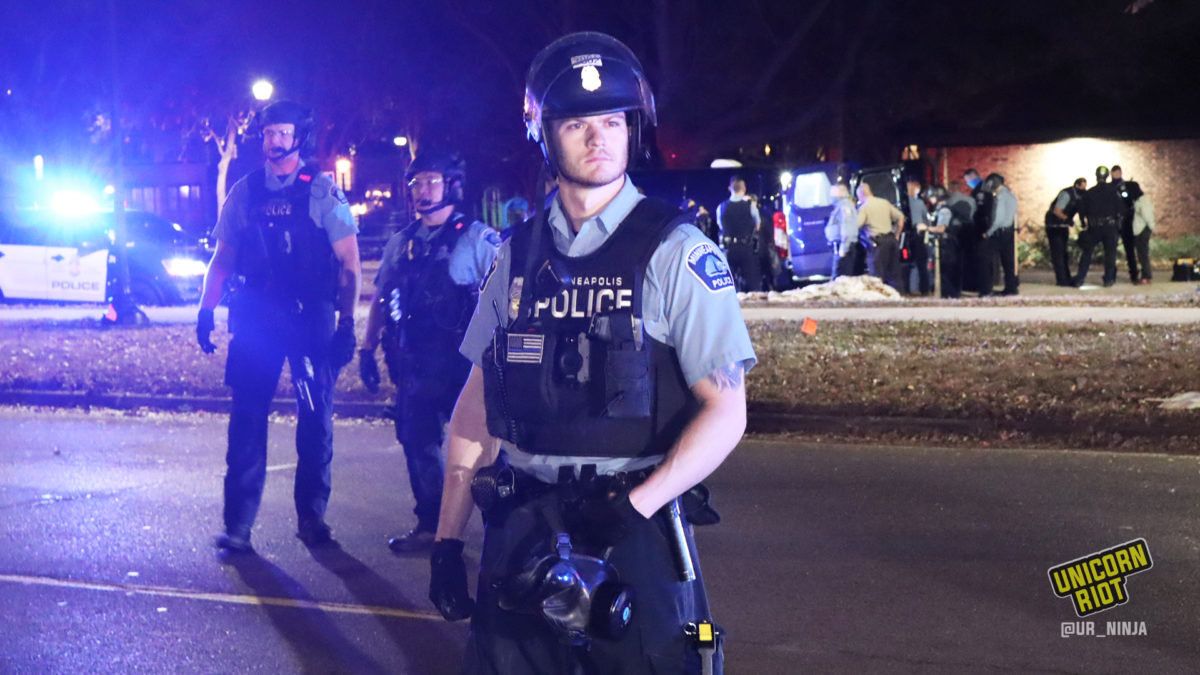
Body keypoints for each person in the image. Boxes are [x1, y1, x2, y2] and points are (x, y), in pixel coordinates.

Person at [428, 32, 756, 674]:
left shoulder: (676, 252)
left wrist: (637, 506)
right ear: (544, 136)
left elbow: (727, 412)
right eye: (577, 123)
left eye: (612, 121)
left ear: (634, 131)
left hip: (635, 528)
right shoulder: (513, 257)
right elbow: (476, 408)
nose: (598, 137)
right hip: (521, 528)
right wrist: (447, 540)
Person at [195, 101, 361, 554]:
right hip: (256, 323)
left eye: (283, 133)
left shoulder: (323, 192)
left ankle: (312, 519)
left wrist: (347, 323)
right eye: (268, 133)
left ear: (299, 137)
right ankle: (238, 528)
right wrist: (206, 308)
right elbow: (223, 257)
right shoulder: (244, 192)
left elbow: (349, 262)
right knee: (247, 422)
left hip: (310, 321)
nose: (274, 141)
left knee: (314, 419)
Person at [358, 151, 499, 553]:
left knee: (483, 453)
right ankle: (433, 527)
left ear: (452, 184)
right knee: (417, 442)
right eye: (416, 183)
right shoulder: (401, 243)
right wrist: (368, 349)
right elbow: (383, 298)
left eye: (431, 181)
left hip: (465, 367)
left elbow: (510, 298)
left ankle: (501, 533)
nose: (422, 190)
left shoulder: (477, 239)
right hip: (415, 363)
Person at [1073, 166, 1123, 287]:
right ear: (1107, 176)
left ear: (1096, 176)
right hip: (1110, 227)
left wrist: (1084, 223)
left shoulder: (1090, 193)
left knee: (1087, 253)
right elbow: (1121, 209)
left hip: (1094, 227)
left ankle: (1080, 278)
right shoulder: (1113, 191)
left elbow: (1082, 210)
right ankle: (1108, 279)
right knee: (1110, 254)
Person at [925, 183, 973, 298]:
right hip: (947, 244)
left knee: (946, 272)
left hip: (946, 245)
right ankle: (949, 294)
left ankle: (950, 295)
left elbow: (941, 228)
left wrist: (926, 228)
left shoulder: (944, 210)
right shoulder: (940, 209)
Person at [856, 182, 906, 290]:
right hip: (891, 240)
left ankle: (880, 302)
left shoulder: (864, 208)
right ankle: (899, 300)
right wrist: (897, 234)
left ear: (861, 195)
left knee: (877, 276)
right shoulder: (884, 203)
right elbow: (901, 217)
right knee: (894, 273)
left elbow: (857, 225)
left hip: (877, 244)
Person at [716, 176, 762, 291]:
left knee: (730, 285)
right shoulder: (750, 206)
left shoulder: (721, 207)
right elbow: (758, 226)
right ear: (744, 188)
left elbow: (720, 226)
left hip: (729, 249)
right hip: (746, 248)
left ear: (730, 188)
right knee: (751, 285)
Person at [979, 172, 1019, 295]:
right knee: (1009, 263)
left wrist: (988, 233)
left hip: (999, 232)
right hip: (1009, 231)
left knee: (986, 260)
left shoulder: (1001, 197)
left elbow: (998, 219)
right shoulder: (1011, 196)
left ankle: (986, 289)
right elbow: (1015, 215)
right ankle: (1011, 288)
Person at [1044, 177, 1087, 287]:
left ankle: (1065, 278)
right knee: (1058, 254)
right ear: (1077, 185)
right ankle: (1062, 280)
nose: (1083, 190)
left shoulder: (1078, 195)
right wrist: (1067, 219)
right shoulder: (1066, 194)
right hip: (1054, 226)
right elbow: (1057, 211)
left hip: (1062, 226)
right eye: (1082, 187)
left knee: (1063, 253)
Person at [1111, 165, 1147, 284]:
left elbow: (1136, 199)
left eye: (1117, 173)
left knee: (1130, 250)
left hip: (1127, 221)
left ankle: (1134, 274)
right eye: (1114, 173)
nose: (1116, 175)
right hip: (1115, 221)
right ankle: (1111, 274)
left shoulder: (1129, 186)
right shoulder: (1110, 188)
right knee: (1111, 250)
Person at [963, 168, 990, 293]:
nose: (968, 183)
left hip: (981, 229)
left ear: (973, 177)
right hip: (984, 228)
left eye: (968, 180)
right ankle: (984, 285)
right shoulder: (983, 188)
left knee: (981, 259)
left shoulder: (980, 191)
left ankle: (982, 287)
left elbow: (978, 211)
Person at [824, 181, 859, 280]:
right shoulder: (841, 206)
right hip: (841, 247)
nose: (830, 196)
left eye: (832, 193)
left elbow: (846, 228)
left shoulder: (845, 206)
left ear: (840, 193)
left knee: (841, 279)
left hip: (844, 248)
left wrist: (843, 248)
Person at [903, 179, 932, 295]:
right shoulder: (919, 203)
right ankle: (924, 288)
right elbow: (926, 220)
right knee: (921, 262)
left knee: (908, 262)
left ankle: (908, 288)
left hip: (905, 235)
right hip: (918, 234)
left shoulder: (903, 203)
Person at [1126, 180, 1155, 285]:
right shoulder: (1138, 201)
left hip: (1142, 230)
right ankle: (1145, 275)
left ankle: (1147, 276)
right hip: (1140, 230)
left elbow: (1148, 216)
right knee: (1142, 254)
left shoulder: (1142, 202)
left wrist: (1151, 227)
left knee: (1143, 254)